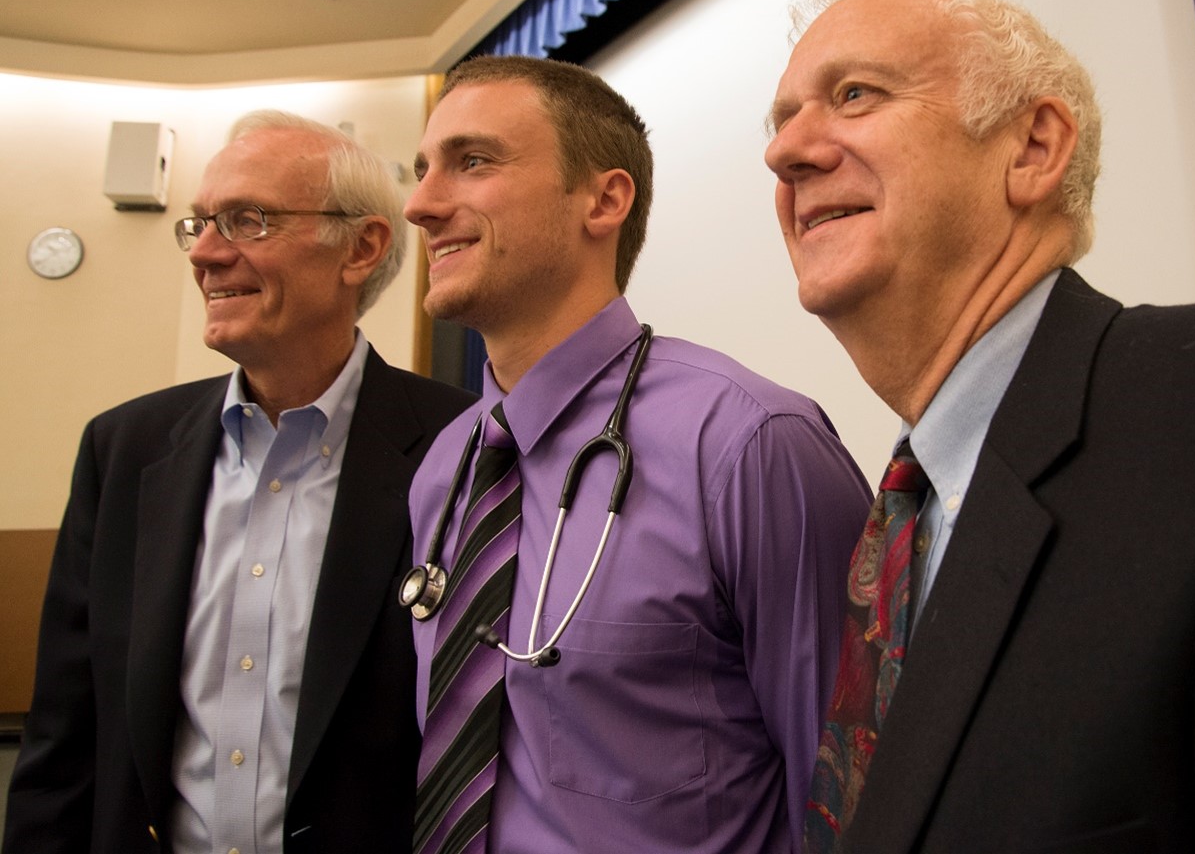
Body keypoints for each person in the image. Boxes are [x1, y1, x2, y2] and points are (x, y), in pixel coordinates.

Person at [764, 0, 1195, 853]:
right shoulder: (892, 534)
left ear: (1035, 148)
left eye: (854, 94)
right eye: (781, 121)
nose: (785, 151)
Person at [402, 55, 871, 854]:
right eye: (420, 171)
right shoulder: (446, 470)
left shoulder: (751, 446)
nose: (420, 204)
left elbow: (854, 804)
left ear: (604, 199)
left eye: (471, 162)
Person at [4, 111, 476, 854]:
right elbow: (67, 735)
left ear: (361, 246)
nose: (206, 253)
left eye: (247, 220)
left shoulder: (465, 445)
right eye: (197, 224)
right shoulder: (124, 449)